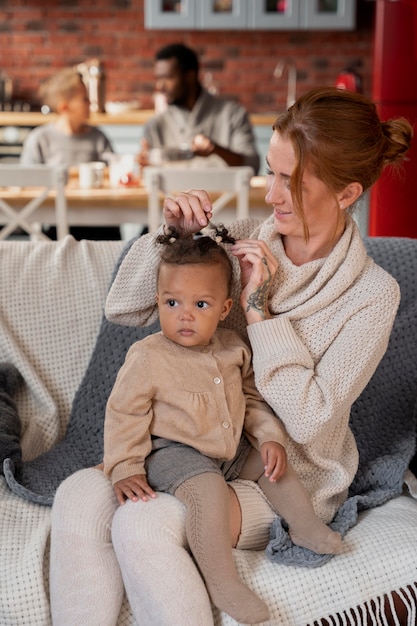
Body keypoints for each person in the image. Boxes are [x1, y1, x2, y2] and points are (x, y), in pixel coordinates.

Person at [50, 87, 413, 626]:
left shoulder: (373, 294)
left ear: (346, 193)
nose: (272, 194)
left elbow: (308, 419)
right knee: (79, 491)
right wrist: (172, 237)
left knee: (141, 525)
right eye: (272, 171)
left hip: (286, 473)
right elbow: (123, 309)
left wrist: (260, 311)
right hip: (193, 443)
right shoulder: (237, 239)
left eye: (293, 181)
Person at [103, 229, 342, 624]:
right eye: (171, 302)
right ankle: (222, 581)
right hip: (172, 452)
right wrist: (124, 466)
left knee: (274, 468)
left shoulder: (234, 347)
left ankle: (305, 528)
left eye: (200, 303)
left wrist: (270, 440)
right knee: (207, 490)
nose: (184, 314)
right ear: (158, 301)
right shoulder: (147, 356)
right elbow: (124, 414)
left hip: (230, 448)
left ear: (225, 306)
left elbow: (251, 402)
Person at [20, 67, 119, 240]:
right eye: (85, 99)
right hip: (54, 222)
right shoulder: (40, 139)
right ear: (65, 107)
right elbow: (26, 183)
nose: (91, 103)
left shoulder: (98, 137)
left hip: (97, 220)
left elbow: (115, 171)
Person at [138, 42, 260, 173]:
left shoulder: (233, 115)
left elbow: (252, 165)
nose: (160, 86)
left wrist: (215, 150)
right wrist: (143, 167)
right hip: (173, 194)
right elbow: (143, 177)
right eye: (158, 78)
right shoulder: (155, 125)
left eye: (168, 77)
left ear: (190, 76)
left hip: (226, 193)